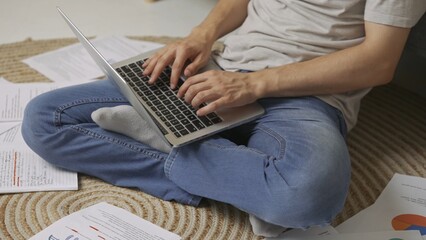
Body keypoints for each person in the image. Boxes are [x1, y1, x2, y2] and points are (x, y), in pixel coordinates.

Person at [22, 0, 425, 237]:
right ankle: (244, 180)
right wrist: (200, 36)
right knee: (45, 119)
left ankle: (166, 141)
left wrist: (254, 85)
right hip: (216, 67)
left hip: (307, 95)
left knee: (306, 196)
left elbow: (379, 61)